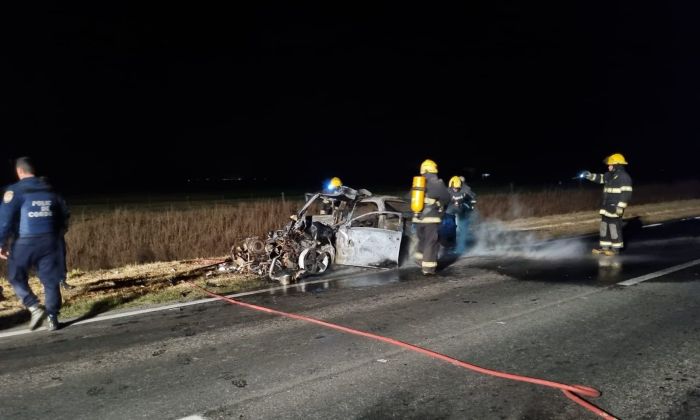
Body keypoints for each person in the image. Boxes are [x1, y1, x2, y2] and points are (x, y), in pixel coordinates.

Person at [0, 157, 69, 331]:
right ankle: (52, 317)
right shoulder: (49, 189)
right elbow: (63, 214)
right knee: (50, 280)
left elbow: (5, 221)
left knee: (15, 275)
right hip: (51, 241)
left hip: (26, 242)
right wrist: (58, 233)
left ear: (19, 171)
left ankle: (33, 306)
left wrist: (1, 243)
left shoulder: (15, 191)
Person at [581, 153, 633, 256]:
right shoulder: (610, 175)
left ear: (617, 165)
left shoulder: (624, 177)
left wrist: (620, 207)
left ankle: (615, 249)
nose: (608, 166)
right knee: (604, 226)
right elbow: (600, 178)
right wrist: (589, 175)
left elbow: (626, 193)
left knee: (614, 227)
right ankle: (605, 247)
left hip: (615, 208)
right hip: (606, 207)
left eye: (610, 165)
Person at [413, 159, 451, 275]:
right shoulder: (436, 182)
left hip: (418, 218)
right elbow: (446, 198)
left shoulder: (418, 183)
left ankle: (419, 260)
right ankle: (428, 269)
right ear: (432, 169)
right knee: (431, 242)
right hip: (431, 219)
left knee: (422, 240)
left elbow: (410, 199)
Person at [445, 176, 477, 253]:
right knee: (448, 227)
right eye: (454, 188)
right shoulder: (448, 190)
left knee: (463, 229)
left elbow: (472, 199)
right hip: (451, 210)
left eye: (457, 188)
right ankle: (449, 246)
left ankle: (460, 249)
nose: (455, 189)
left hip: (463, 210)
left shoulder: (466, 189)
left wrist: (468, 206)